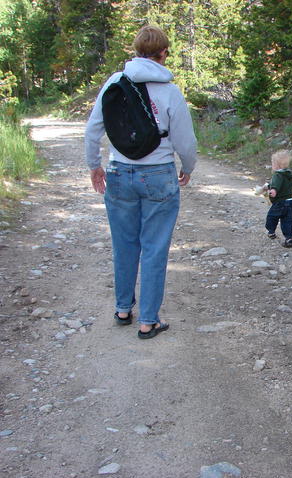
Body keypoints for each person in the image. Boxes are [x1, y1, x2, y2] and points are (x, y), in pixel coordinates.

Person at [84, 25, 197, 339]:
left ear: (135, 51)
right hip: (159, 175)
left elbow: (92, 131)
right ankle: (148, 320)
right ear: (163, 53)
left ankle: (123, 309)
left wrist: (95, 166)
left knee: (124, 245)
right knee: (154, 248)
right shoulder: (171, 91)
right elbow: (186, 142)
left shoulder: (114, 83)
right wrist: (188, 167)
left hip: (119, 173)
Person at [265, 150, 292, 247]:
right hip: (290, 201)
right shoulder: (288, 174)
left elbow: (276, 186)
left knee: (272, 216)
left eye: (272, 163)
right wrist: (269, 186)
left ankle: (271, 232)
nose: (272, 165)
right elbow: (283, 184)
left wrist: (272, 191)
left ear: (277, 165)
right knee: (287, 220)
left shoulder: (277, 175)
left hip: (280, 202)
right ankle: (288, 238)